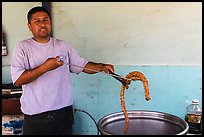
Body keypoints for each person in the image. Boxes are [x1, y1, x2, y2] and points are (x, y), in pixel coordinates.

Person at [10, 6, 114, 135]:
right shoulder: (23, 47)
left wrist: (101, 67)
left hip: (63, 112)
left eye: (46, 20)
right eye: (37, 21)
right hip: (37, 116)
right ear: (29, 26)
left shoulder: (62, 45)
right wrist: (45, 67)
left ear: (50, 23)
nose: (42, 24)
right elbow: (18, 79)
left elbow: (81, 65)